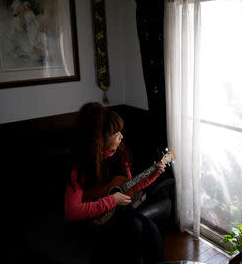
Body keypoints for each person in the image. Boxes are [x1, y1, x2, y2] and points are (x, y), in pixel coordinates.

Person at [64, 102, 166, 264]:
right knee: (134, 228)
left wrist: (153, 175)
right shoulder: (81, 167)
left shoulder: (120, 154)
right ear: (100, 138)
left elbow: (128, 187)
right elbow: (73, 212)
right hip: (95, 221)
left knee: (151, 230)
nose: (121, 137)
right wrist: (112, 200)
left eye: (121, 131)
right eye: (115, 133)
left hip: (118, 212)